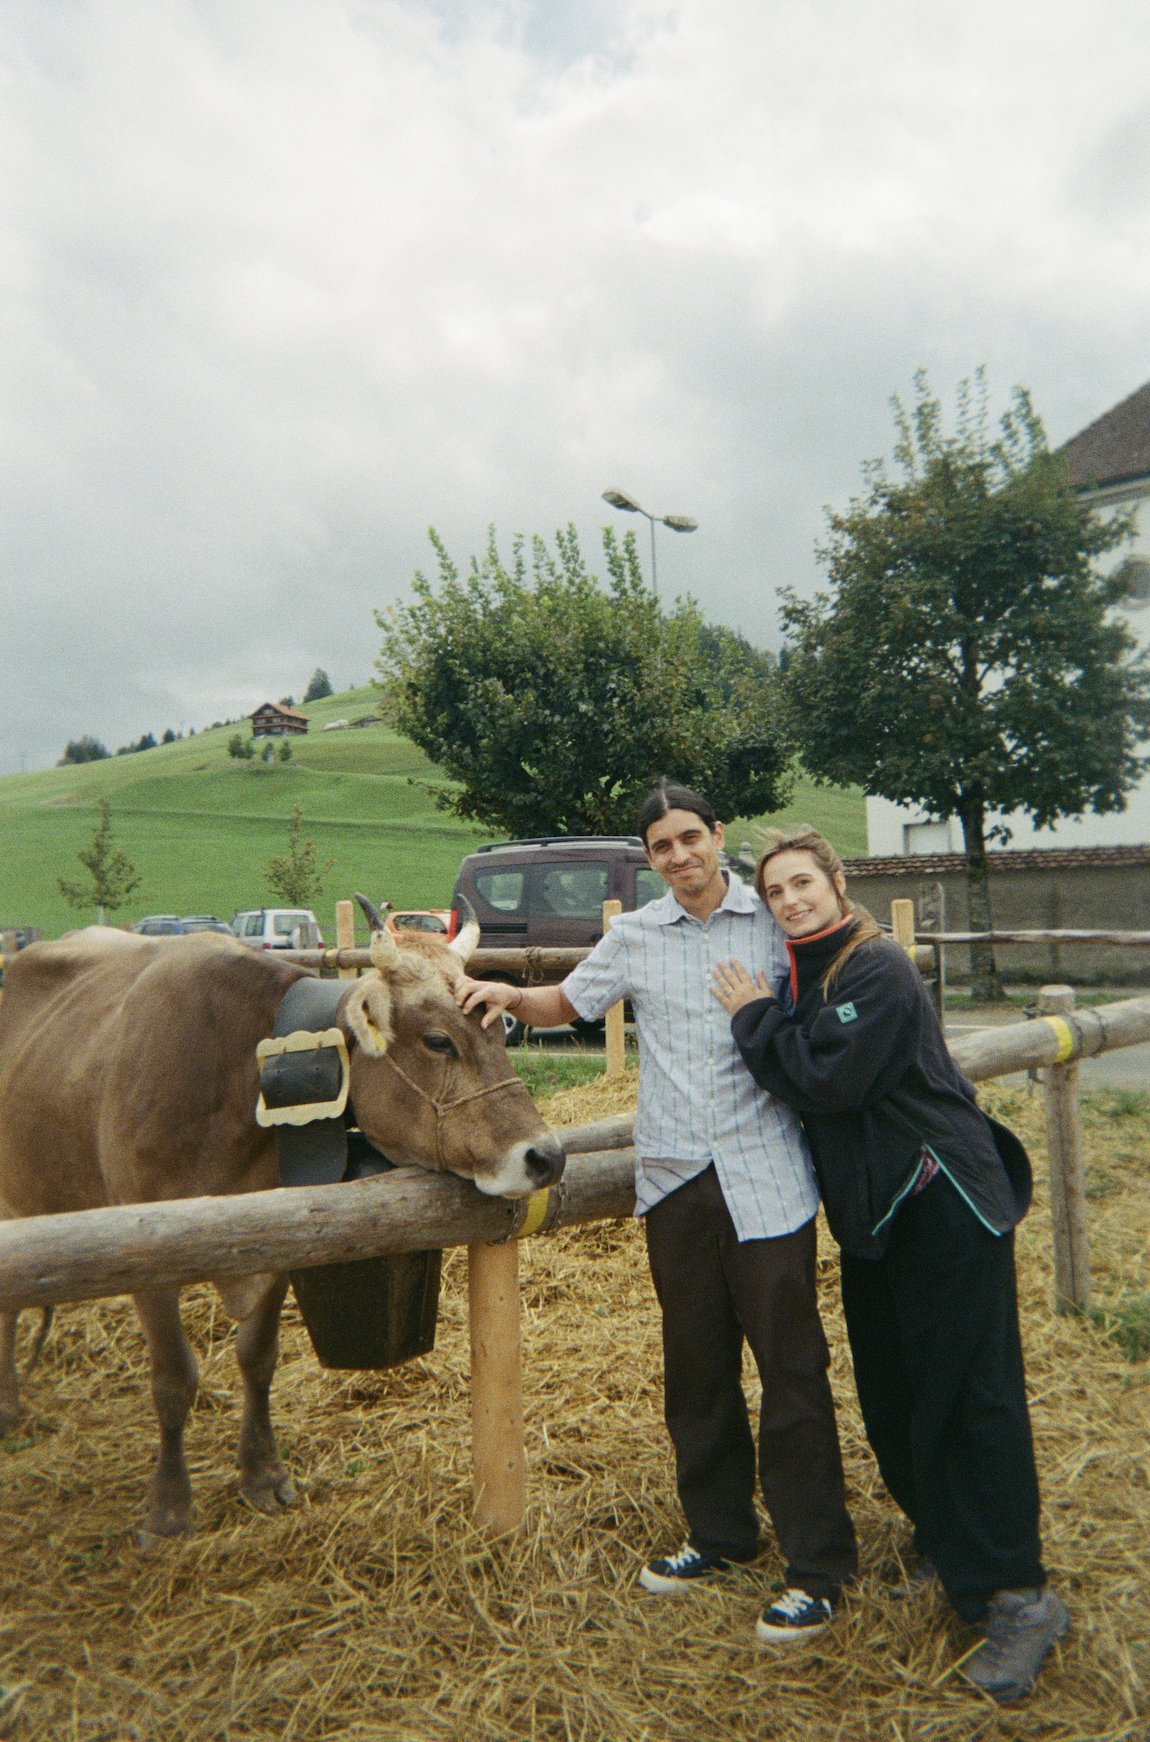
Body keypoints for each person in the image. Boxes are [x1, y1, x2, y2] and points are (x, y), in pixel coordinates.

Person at [454, 784, 857, 1644]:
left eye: (689, 837)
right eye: (661, 846)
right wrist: (503, 995)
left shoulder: (772, 921)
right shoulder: (635, 935)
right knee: (696, 1370)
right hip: (677, 1184)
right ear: (649, 859)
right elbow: (566, 1002)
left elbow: (837, 985)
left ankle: (817, 1565)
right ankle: (720, 1534)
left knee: (792, 1373)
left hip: (769, 1181)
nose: (679, 856)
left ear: (717, 836)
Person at [711, 826, 1069, 1702]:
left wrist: (752, 1018)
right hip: (878, 1215)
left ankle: (1017, 1595)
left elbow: (826, 1079)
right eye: (775, 892)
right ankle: (948, 1545)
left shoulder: (877, 967)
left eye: (803, 883)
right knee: (896, 1390)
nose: (790, 901)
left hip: (942, 1200)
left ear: (837, 883)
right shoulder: (809, 972)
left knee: (971, 1392)